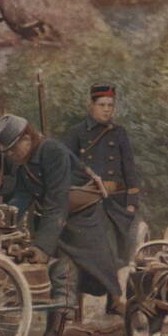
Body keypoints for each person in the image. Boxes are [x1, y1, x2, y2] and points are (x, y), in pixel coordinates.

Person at [0, 114, 123, 336]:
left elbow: (57, 201)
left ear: (26, 138)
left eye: (12, 149)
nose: (10, 155)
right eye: (6, 151)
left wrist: (42, 247)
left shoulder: (53, 152)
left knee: (69, 268)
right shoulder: (23, 160)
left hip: (81, 217)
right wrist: (4, 220)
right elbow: (22, 196)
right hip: (55, 216)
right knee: (61, 269)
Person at [63, 84, 140, 320]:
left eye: (110, 106)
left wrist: (131, 202)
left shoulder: (119, 133)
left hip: (115, 204)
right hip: (87, 203)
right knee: (91, 249)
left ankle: (112, 302)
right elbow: (67, 166)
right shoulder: (76, 133)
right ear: (91, 106)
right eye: (102, 105)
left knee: (116, 252)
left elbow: (129, 168)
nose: (107, 110)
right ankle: (79, 305)